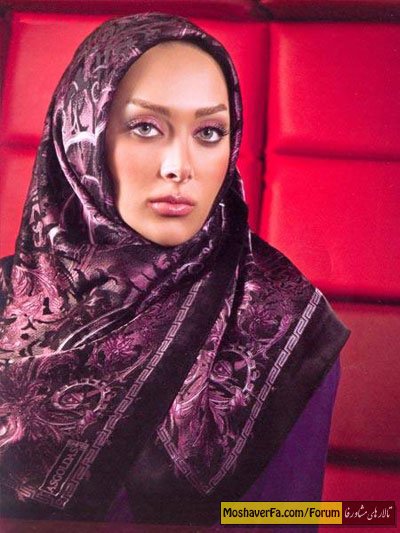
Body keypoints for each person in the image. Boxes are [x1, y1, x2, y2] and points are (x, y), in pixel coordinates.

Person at [0, 12, 350, 527]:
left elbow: (283, 517)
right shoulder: (6, 298)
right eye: (145, 127)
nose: (179, 167)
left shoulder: (283, 327)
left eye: (209, 132)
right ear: (81, 135)